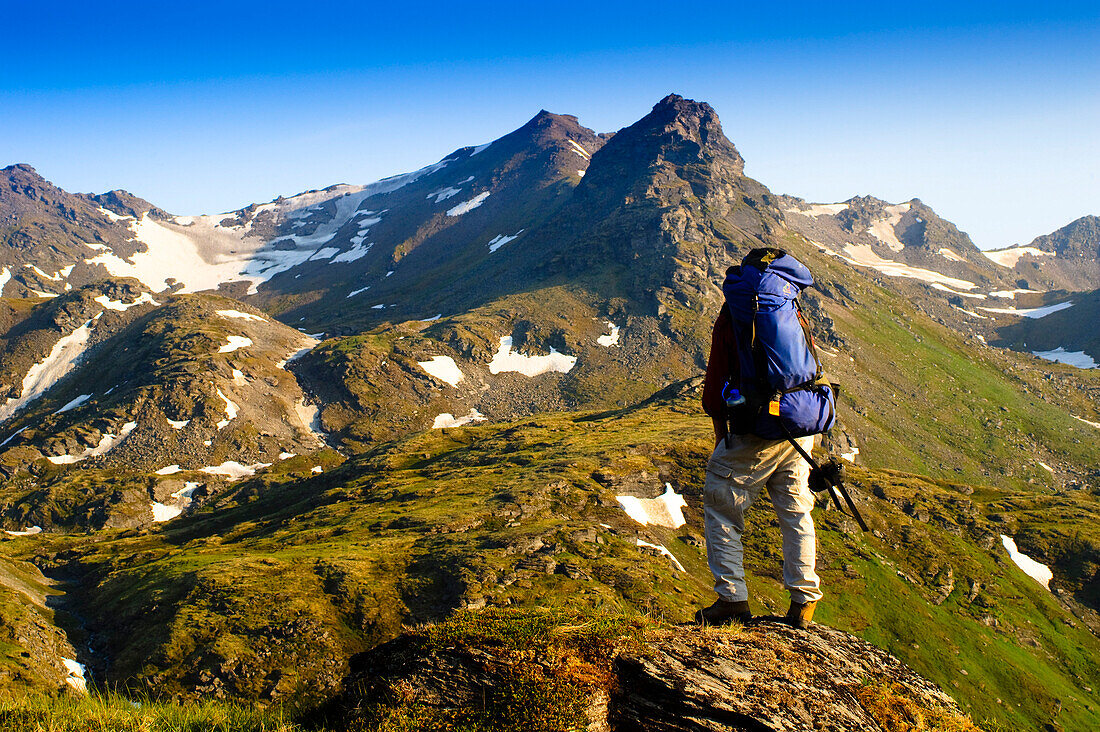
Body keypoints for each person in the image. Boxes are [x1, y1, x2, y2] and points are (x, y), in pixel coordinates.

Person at [695, 273, 824, 630]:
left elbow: (716, 382)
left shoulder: (735, 314)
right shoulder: (790, 307)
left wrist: (722, 436)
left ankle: (731, 600)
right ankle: (804, 605)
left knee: (722, 507)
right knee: (796, 512)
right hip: (797, 426)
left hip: (754, 431)